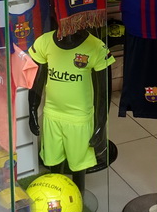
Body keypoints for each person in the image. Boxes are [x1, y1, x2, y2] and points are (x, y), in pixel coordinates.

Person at [27, 29, 113, 193]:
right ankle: (56, 196)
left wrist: (101, 124)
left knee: (78, 167)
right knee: (53, 163)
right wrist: (32, 110)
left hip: (79, 120)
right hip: (52, 116)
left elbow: (104, 92)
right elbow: (35, 81)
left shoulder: (95, 47)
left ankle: (78, 200)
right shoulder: (44, 42)